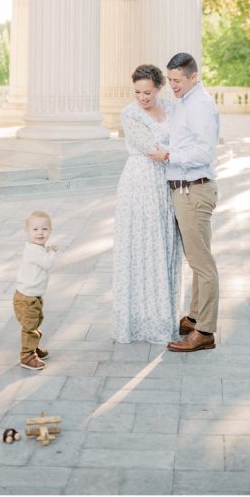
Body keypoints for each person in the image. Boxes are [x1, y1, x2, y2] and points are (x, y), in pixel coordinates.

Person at [147, 52, 220, 352]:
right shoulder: (186, 104)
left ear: (193, 76)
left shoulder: (201, 106)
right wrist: (166, 148)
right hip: (184, 190)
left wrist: (168, 156)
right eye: (170, 80)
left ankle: (205, 331)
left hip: (194, 190)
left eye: (177, 80)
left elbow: (204, 154)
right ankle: (193, 317)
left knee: (203, 264)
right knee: (196, 259)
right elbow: (185, 144)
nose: (172, 85)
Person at [112, 64, 183, 344]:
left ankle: (164, 317)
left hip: (168, 183)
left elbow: (178, 142)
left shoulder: (173, 108)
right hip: (140, 184)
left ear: (159, 87)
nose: (142, 97)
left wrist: (173, 151)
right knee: (142, 249)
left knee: (164, 247)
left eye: (148, 92)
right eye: (138, 92)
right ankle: (140, 321)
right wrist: (177, 150)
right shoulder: (129, 114)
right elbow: (151, 149)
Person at [13, 210, 57, 370]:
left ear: (50, 230)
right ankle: (27, 356)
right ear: (27, 231)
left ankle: (33, 347)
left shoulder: (38, 249)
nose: (40, 233)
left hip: (33, 295)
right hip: (27, 298)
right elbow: (48, 264)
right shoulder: (33, 250)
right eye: (35, 229)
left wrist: (47, 251)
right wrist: (52, 252)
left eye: (45, 229)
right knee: (30, 326)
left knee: (36, 322)